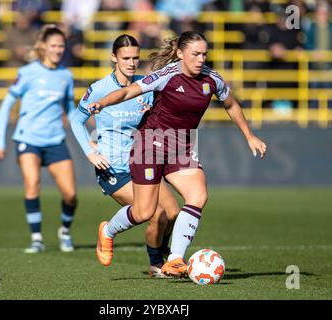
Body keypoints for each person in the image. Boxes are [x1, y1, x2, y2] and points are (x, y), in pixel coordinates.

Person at [88, 31, 267, 277]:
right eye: (195, 54)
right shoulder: (167, 75)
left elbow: (231, 104)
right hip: (149, 144)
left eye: (204, 54)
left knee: (198, 195)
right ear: (181, 54)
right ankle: (108, 231)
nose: (201, 59)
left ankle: (174, 259)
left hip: (181, 146)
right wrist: (104, 102)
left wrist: (249, 135)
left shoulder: (212, 79)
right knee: (144, 212)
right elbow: (130, 92)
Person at [71, 34, 180, 277]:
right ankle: (150, 261)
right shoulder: (99, 89)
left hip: (142, 161)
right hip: (113, 168)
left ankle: (162, 252)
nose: (131, 63)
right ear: (114, 58)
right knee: (154, 213)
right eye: (126, 58)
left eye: (135, 58)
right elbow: (75, 120)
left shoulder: (144, 86)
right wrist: (90, 152)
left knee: (172, 213)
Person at [0, 25, 78, 254]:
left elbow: (70, 110)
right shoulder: (28, 73)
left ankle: (65, 232)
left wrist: (87, 137)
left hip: (55, 140)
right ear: (43, 47)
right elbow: (6, 105)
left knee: (70, 194)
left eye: (61, 45)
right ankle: (37, 237)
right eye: (53, 45)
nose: (58, 50)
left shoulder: (66, 75)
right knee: (32, 184)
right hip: (27, 139)